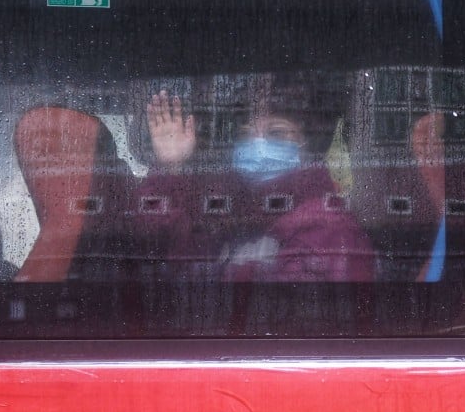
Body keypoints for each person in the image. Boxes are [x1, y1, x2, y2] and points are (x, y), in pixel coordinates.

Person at [131, 79, 375, 282]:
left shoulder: (329, 228)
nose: (257, 145)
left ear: (307, 145)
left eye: (276, 133)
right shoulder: (231, 212)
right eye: (246, 134)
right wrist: (169, 168)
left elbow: (286, 312)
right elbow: (155, 245)